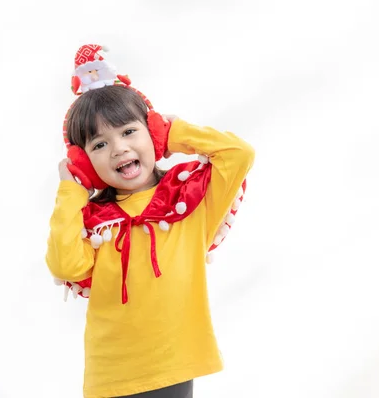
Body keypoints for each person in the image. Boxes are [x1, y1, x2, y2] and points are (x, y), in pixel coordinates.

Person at [45, 44, 255, 398]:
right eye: (99, 145)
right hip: (110, 373)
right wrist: (72, 191)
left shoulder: (188, 200)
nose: (118, 149)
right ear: (84, 162)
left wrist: (175, 133)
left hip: (173, 363)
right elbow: (66, 264)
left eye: (129, 132)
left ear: (152, 133)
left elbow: (238, 154)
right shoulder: (92, 222)